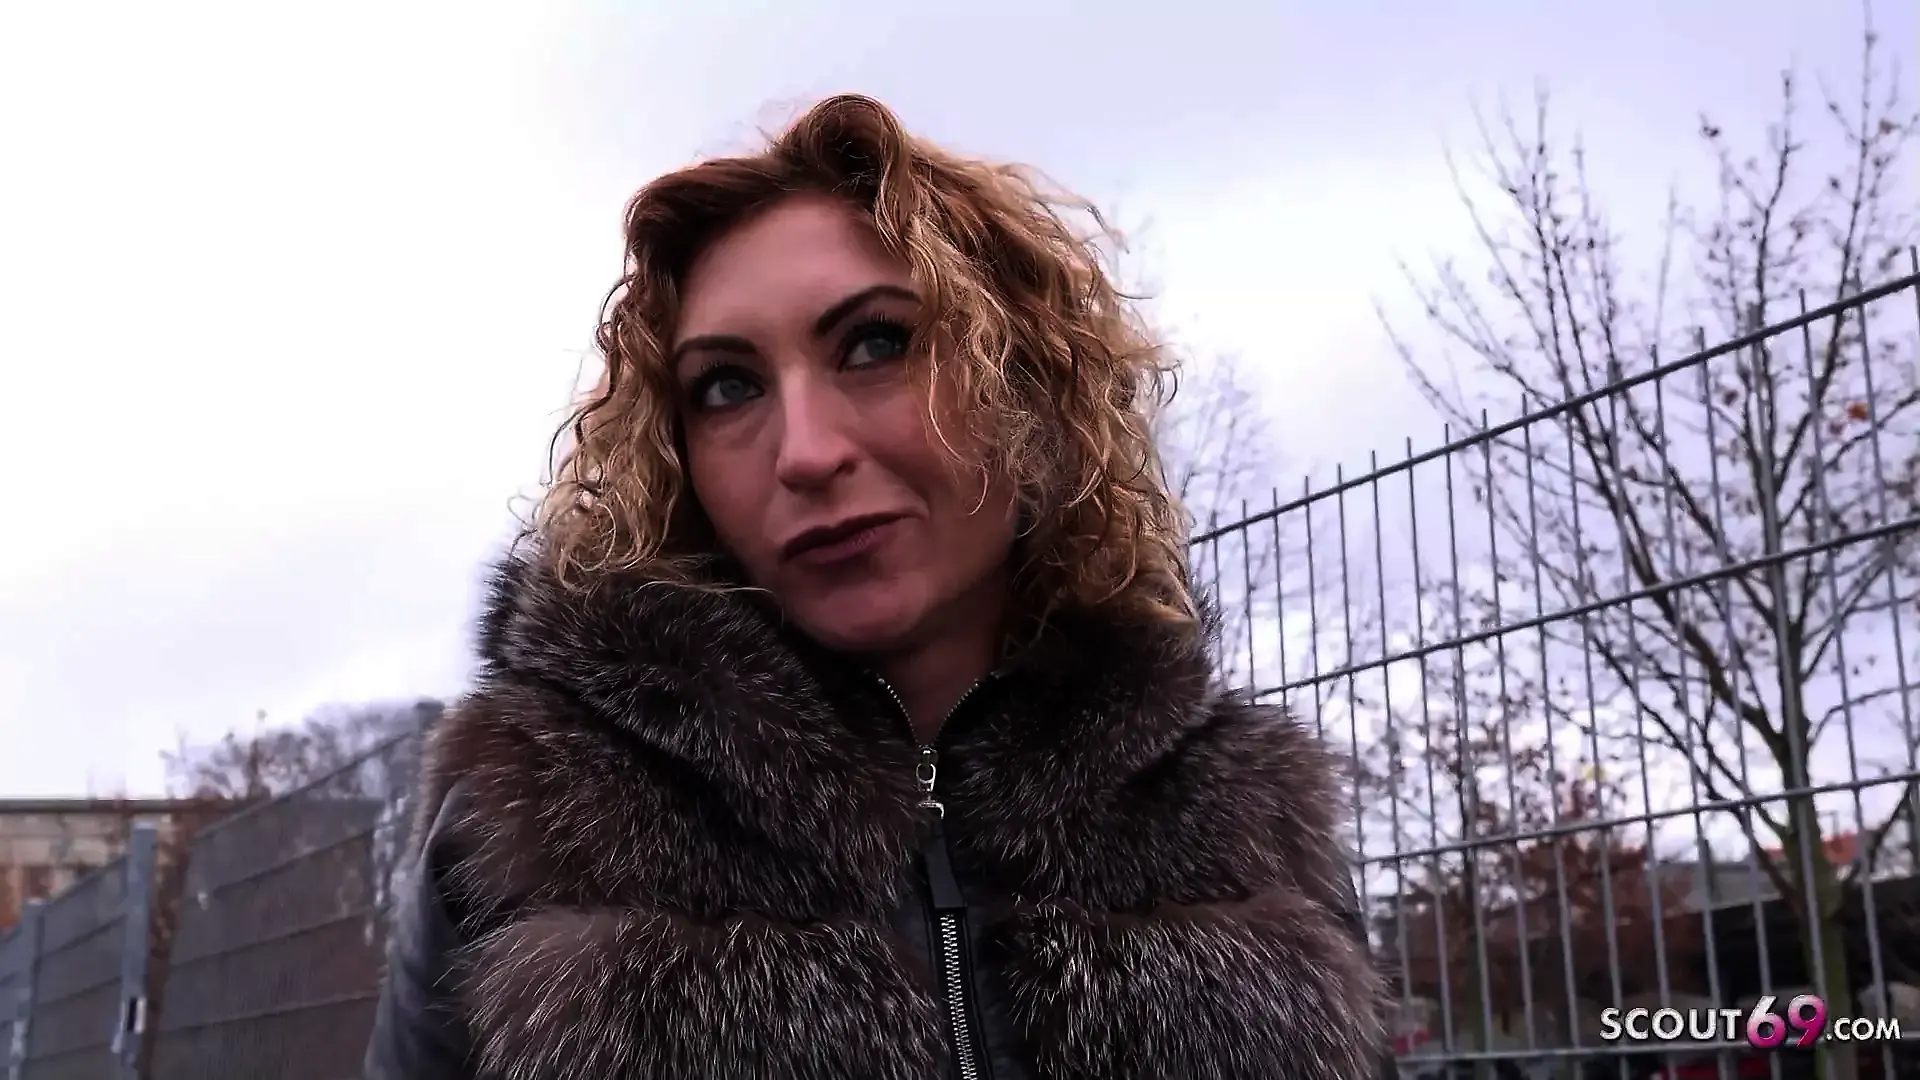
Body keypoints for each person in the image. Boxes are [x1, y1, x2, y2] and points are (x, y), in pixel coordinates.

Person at [364, 93, 1388, 1080]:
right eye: (728, 387)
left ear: (1022, 379)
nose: (806, 452)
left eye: (876, 343)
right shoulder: (534, 813)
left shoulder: (1247, 822)